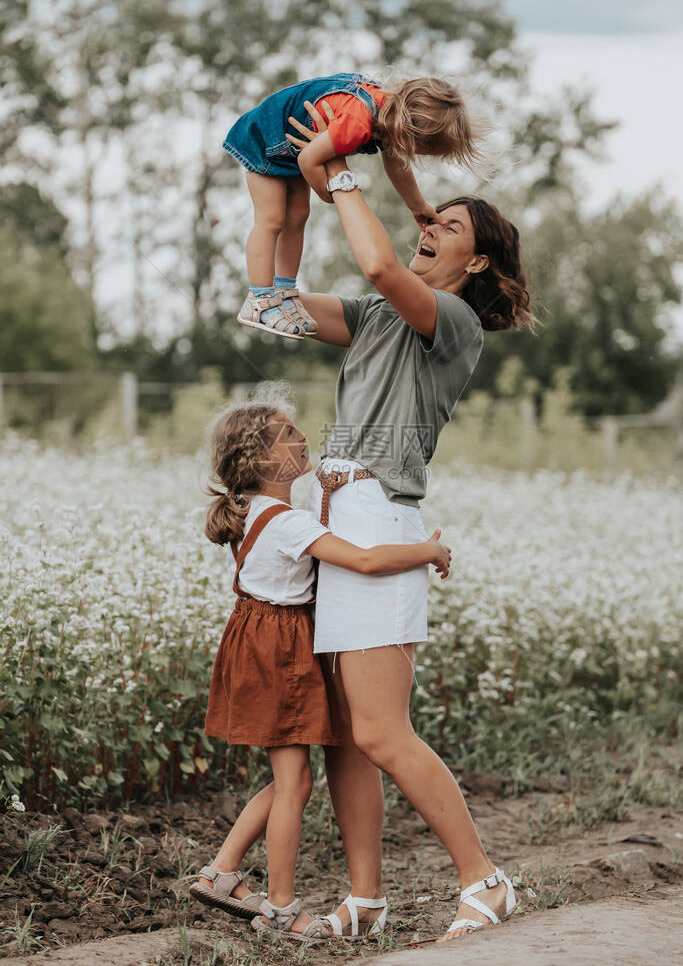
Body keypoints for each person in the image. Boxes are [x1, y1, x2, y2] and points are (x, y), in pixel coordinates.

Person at [281, 101, 535, 941]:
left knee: (384, 731)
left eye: (448, 225)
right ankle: (365, 903)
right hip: (338, 513)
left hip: (382, 521)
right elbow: (276, 307)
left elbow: (385, 263)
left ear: (476, 261)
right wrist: (292, 183)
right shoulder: (378, 315)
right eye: (432, 216)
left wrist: (346, 172)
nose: (430, 226)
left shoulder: (451, 322)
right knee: (349, 739)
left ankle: (484, 880)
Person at [190, 395, 452, 942]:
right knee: (295, 785)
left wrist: (331, 494)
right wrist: (426, 552)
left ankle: (221, 872)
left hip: (262, 644)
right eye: (288, 434)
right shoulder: (282, 521)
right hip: (279, 650)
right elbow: (363, 560)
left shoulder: (263, 512)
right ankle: (281, 908)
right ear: (262, 460)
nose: (303, 437)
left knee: (290, 778)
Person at [223, 72, 487, 338]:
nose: (413, 155)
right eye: (419, 150)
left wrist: (417, 205)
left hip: (289, 144)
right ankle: (259, 298)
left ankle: (284, 290)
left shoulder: (390, 113)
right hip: (264, 137)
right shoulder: (360, 121)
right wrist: (329, 193)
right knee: (271, 219)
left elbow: (397, 165)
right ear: (411, 134)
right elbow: (309, 159)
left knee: (299, 216)